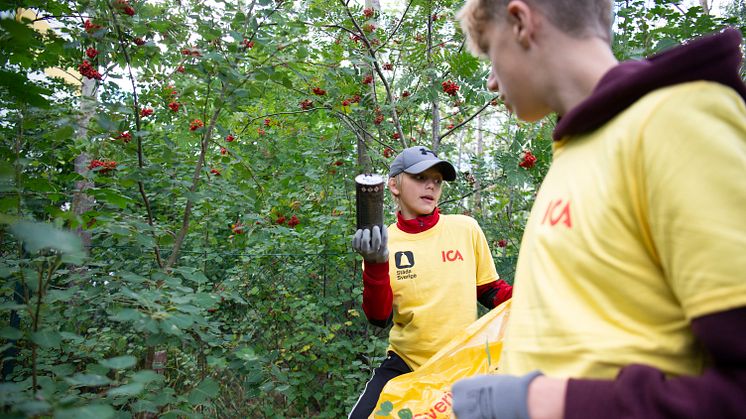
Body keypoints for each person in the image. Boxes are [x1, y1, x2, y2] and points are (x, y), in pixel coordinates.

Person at [450, 0, 746, 418]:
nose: (493, 84)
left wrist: (543, 403)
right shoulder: (577, 150)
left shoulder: (673, 121)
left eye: (489, 52)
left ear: (520, 22)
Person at [348, 146, 513, 418]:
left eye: (437, 180)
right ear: (394, 185)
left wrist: (534, 296)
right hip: (406, 364)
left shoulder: (464, 228)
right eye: (420, 178)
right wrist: (376, 264)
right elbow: (379, 317)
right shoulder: (383, 242)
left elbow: (490, 291)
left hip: (463, 364)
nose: (431, 186)